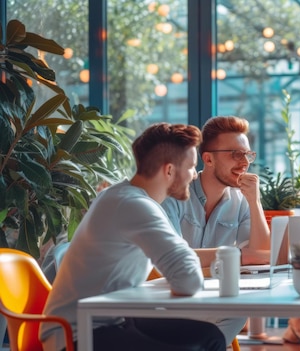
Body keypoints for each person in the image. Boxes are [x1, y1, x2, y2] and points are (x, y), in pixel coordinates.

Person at [40, 123, 225, 351]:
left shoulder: (123, 196)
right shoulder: (132, 204)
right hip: (77, 334)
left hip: (112, 320)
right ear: (169, 171)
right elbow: (189, 280)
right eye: (191, 167)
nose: (193, 176)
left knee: (210, 336)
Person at [161, 115, 270, 342]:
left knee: (238, 311)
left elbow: (261, 255)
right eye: (235, 154)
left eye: (248, 154)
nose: (245, 162)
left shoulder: (241, 201)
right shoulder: (174, 195)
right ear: (208, 159)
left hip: (212, 296)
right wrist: (237, 256)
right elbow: (172, 259)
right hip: (169, 297)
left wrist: (255, 202)